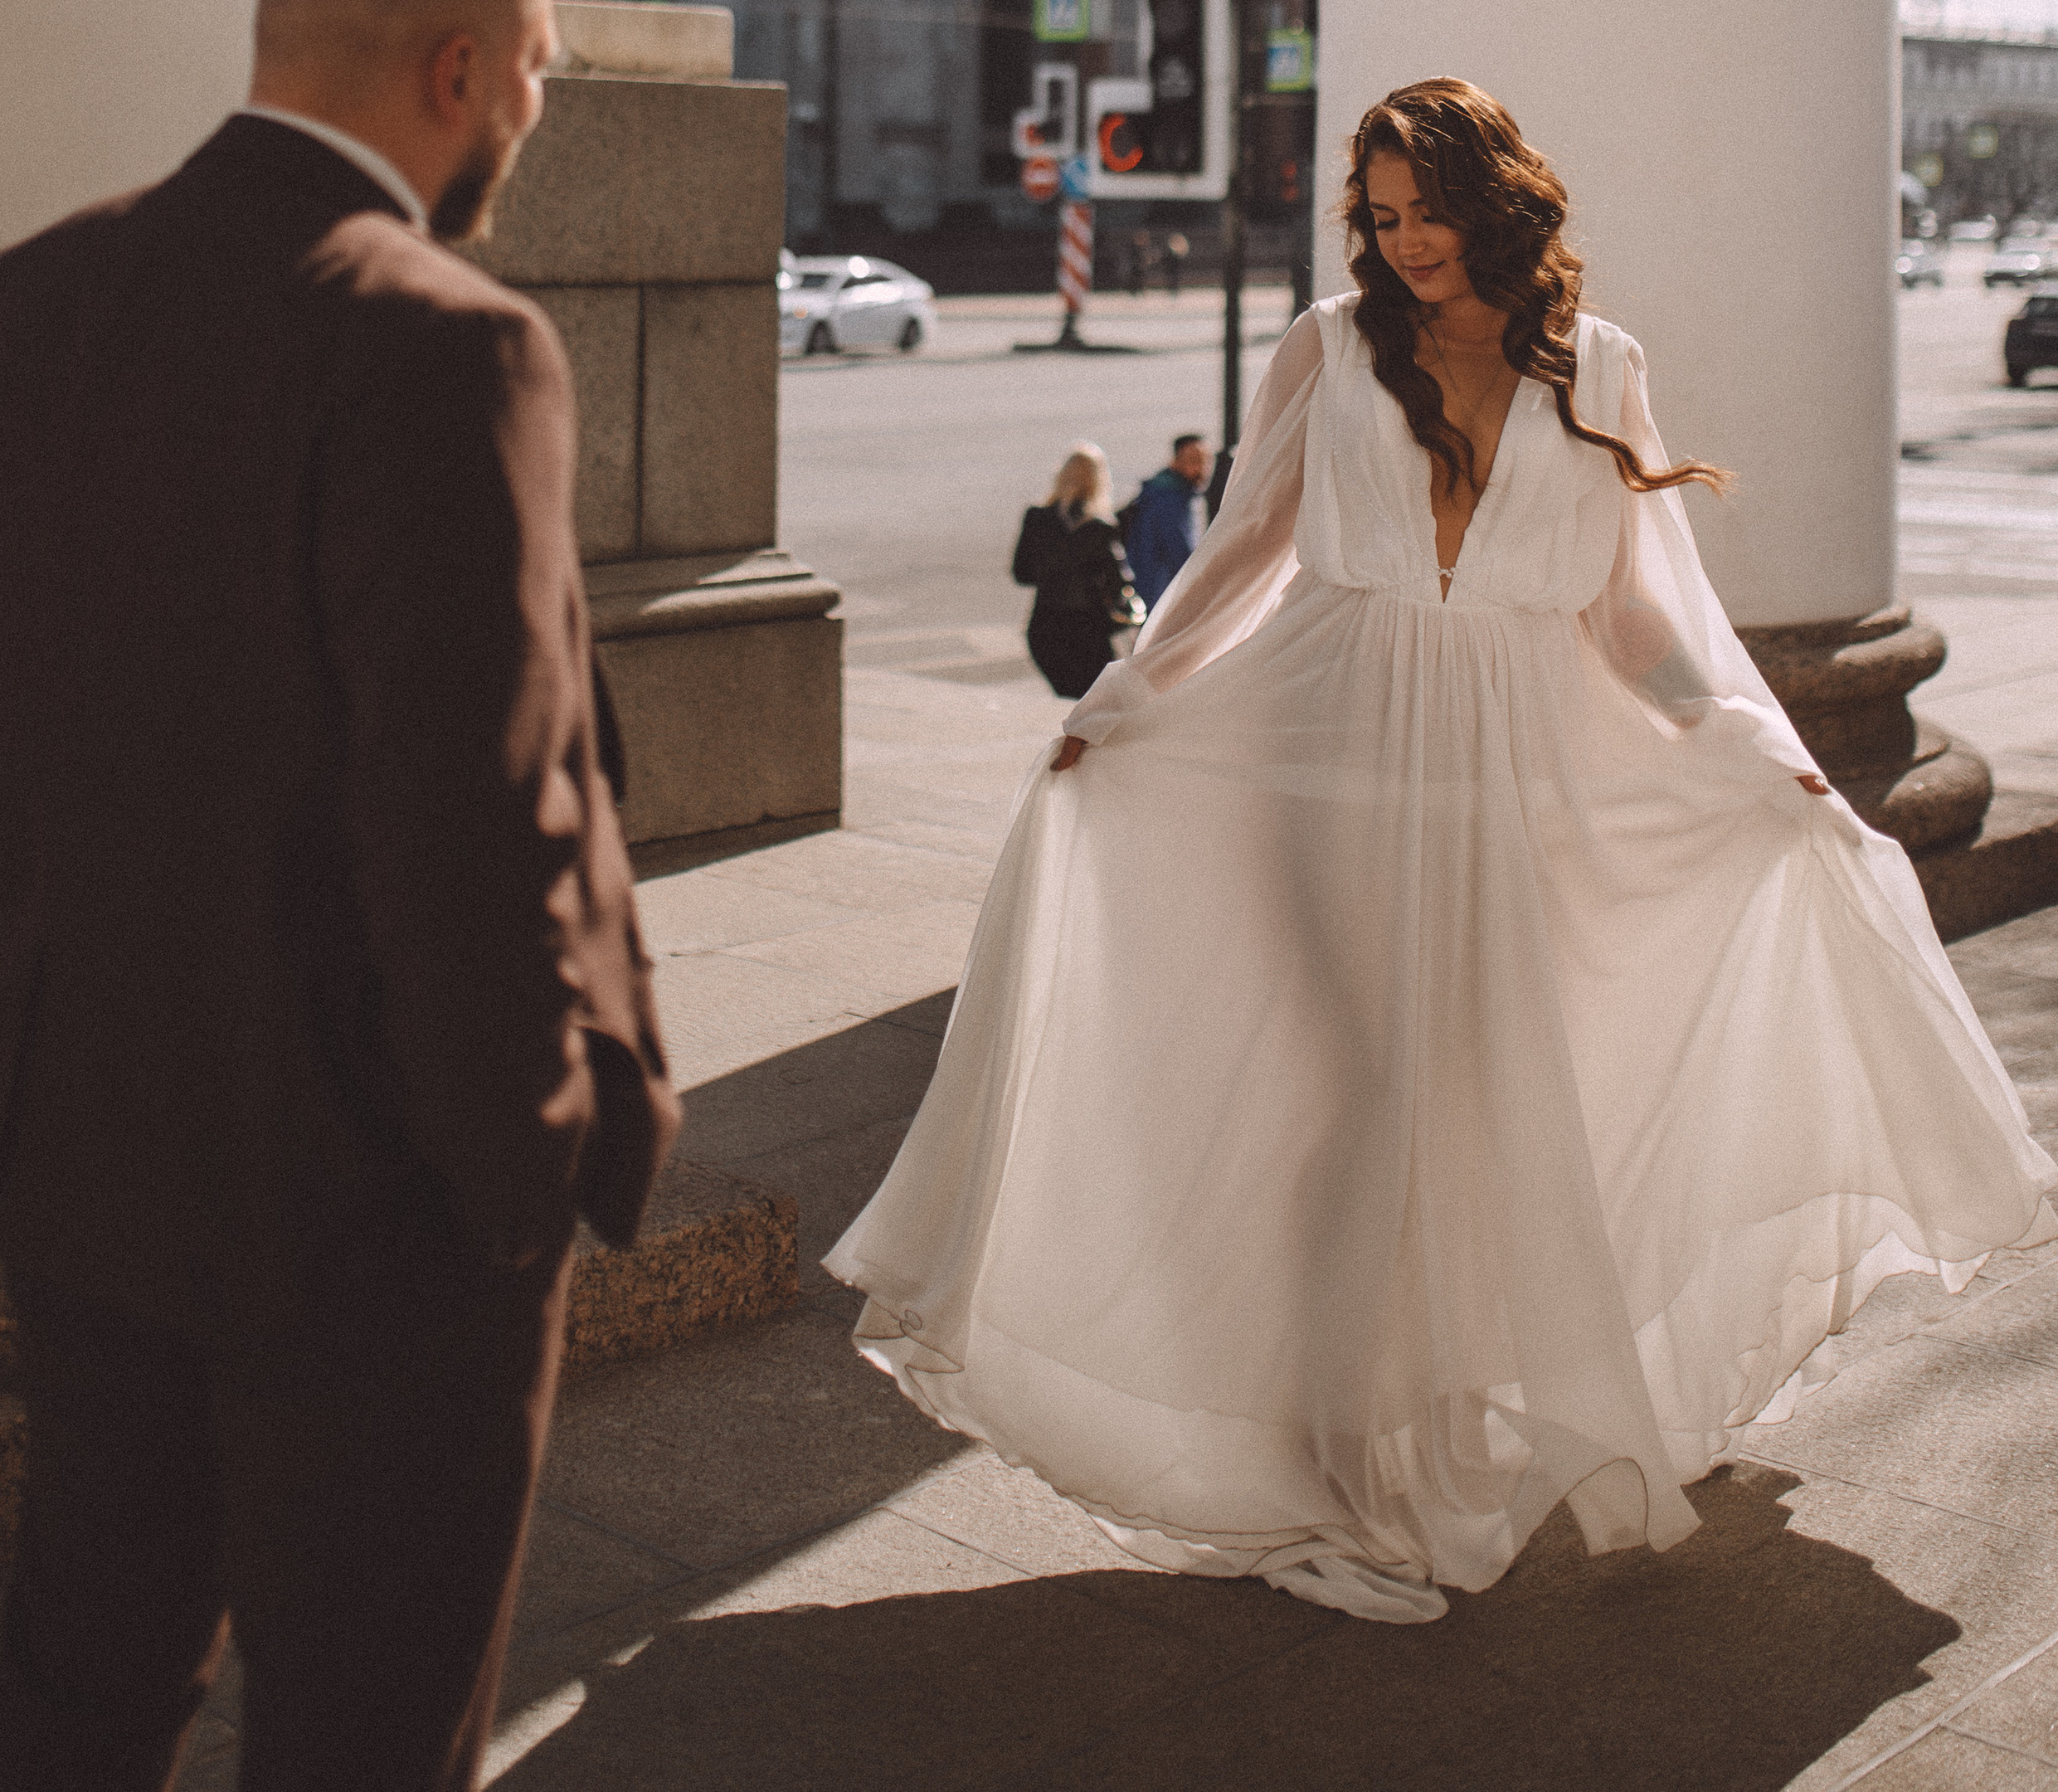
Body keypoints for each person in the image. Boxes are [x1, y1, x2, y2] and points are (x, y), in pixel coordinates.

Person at [832, 79, 2054, 1625]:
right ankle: (1349, 1459)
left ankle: (1437, 1408)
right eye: (1383, 215)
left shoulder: (1599, 367)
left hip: (1518, 786)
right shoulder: (1328, 349)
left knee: (1474, 1099)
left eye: (1428, 211)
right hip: (1331, 766)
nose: (1404, 242)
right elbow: (1243, 550)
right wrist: (1129, 695)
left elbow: (1636, 616)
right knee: (1375, 1091)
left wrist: (1762, 757)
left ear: (1499, 201)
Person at [0, 0, 679, 1792]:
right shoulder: (447, 342)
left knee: (83, 1681)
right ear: (452, 69)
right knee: (366, 1730)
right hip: (367, 1203)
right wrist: (521, 1178)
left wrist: (24, 1008)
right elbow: (479, 815)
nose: (534, 100)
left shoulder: (20, 296)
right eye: (532, 57)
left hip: (73, 1140)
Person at [1011, 446, 1141, 699]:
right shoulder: (1101, 527)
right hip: (1087, 630)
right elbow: (1120, 583)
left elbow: (1021, 573)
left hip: (1045, 626)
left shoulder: (1036, 518)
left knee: (1066, 698)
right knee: (1097, 703)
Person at [1123, 432, 1213, 611]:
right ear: (1176, 462)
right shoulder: (1171, 500)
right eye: (1194, 460)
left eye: (1206, 460)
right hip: (1161, 600)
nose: (1202, 468)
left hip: (1149, 598)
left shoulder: (1160, 493)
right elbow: (1182, 556)